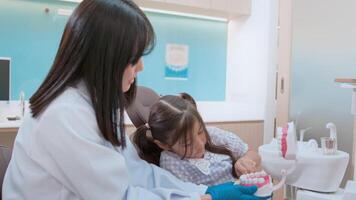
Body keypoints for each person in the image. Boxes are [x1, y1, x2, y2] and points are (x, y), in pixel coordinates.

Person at [2, 0, 266, 200]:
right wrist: (206, 197)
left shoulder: (99, 106)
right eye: (133, 58)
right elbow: (121, 195)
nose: (140, 67)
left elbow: (137, 172)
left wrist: (199, 190)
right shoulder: (64, 115)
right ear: (105, 59)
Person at [132, 93, 261, 186]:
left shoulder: (214, 134)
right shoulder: (171, 163)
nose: (200, 144)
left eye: (200, 131)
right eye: (187, 143)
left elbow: (253, 153)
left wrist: (246, 161)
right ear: (164, 145)